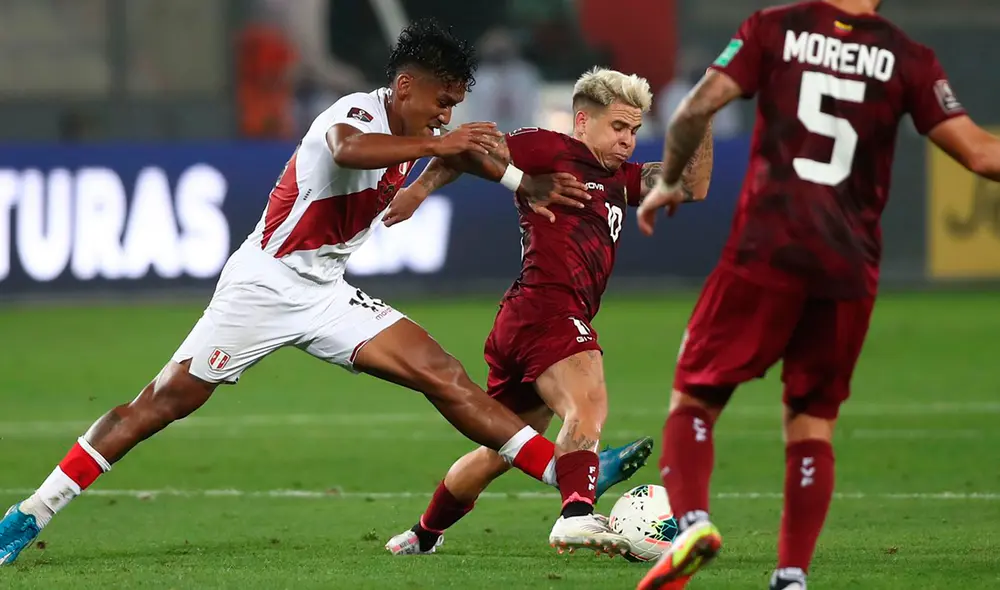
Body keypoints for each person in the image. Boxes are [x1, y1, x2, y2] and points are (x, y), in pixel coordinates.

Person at [0, 19, 623, 566]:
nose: (445, 115)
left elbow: (470, 156)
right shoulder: (354, 114)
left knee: (443, 373)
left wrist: (520, 181)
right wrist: (438, 144)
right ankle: (31, 512)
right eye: (441, 101)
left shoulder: (419, 130)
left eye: (455, 105)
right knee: (156, 408)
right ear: (406, 87)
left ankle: (562, 476)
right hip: (263, 285)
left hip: (325, 292)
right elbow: (348, 151)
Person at [633, 1, 1000, 589]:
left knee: (695, 396)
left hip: (768, 246)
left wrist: (671, 179)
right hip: (850, 266)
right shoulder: (908, 57)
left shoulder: (775, 28)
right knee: (812, 420)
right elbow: (981, 153)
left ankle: (694, 522)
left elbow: (696, 107)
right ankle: (791, 577)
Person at [380, 67, 714, 556]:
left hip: (527, 319)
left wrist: (702, 110)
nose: (627, 140)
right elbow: (467, 150)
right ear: (582, 121)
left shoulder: (620, 179)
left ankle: (422, 534)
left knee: (504, 448)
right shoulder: (548, 148)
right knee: (588, 402)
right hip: (546, 308)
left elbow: (692, 184)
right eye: (618, 127)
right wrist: (417, 191)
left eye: (635, 131)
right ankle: (576, 513)